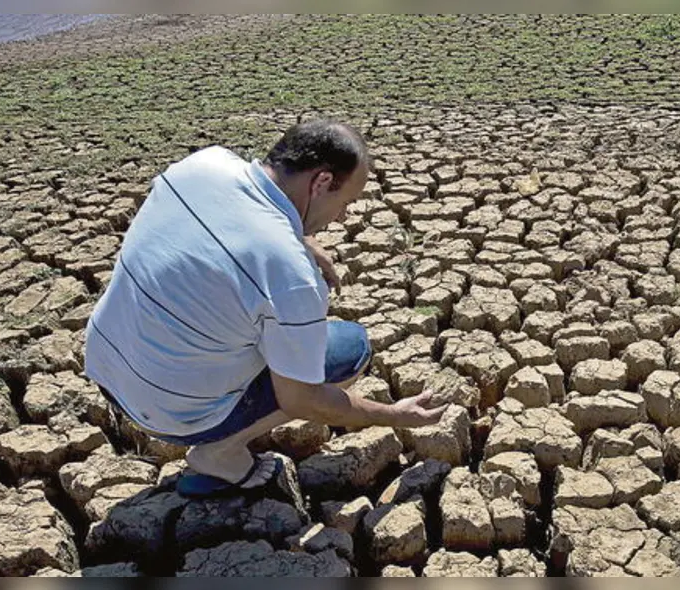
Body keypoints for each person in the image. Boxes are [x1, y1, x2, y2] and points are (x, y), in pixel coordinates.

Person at [83, 119, 448, 497]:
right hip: (171, 413)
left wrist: (299, 237)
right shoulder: (290, 273)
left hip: (106, 367)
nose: (343, 217)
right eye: (346, 203)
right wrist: (394, 416)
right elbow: (303, 399)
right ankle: (219, 453)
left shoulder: (202, 165)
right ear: (321, 183)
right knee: (347, 348)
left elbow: (231, 221)